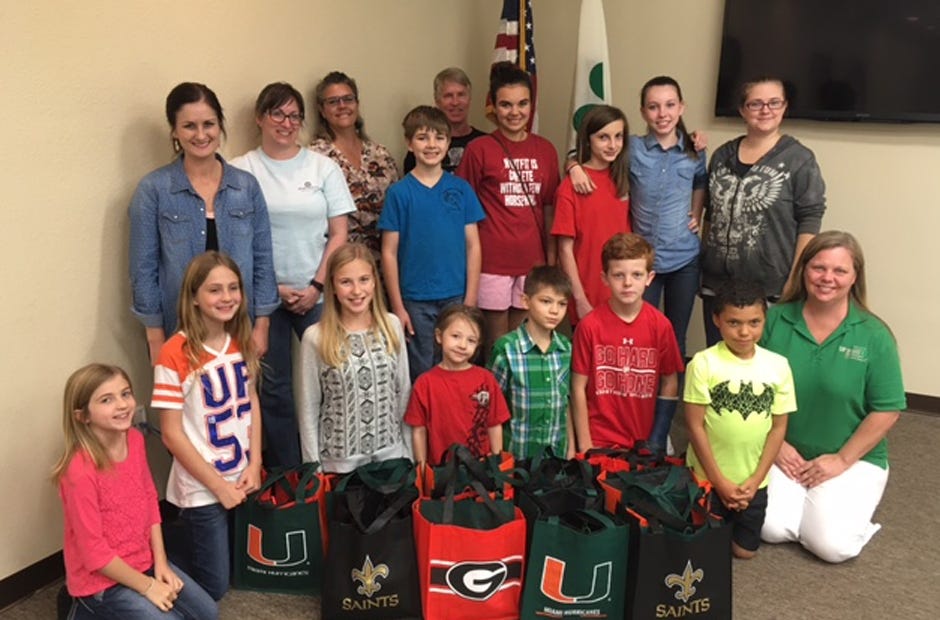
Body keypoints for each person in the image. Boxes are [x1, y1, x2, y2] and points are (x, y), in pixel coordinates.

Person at [759, 231, 905, 563]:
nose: (827, 278)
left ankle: (842, 514)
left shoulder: (874, 335)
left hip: (851, 456)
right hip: (785, 450)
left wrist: (841, 460)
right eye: (818, 267)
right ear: (803, 270)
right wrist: (776, 443)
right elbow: (753, 386)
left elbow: (887, 410)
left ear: (855, 277)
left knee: (831, 547)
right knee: (769, 527)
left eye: (840, 270)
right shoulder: (775, 320)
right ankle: (809, 507)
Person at [230, 82, 355, 469]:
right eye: (278, 114)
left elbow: (339, 233)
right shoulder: (241, 170)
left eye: (295, 116)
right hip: (264, 300)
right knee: (275, 388)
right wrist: (271, 288)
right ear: (260, 118)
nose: (287, 123)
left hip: (317, 293)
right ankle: (288, 474)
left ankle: (335, 467)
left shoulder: (322, 167)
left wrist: (316, 285)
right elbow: (237, 239)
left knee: (336, 378)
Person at [129, 82, 278, 364]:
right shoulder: (153, 190)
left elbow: (263, 258)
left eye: (208, 124)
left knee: (239, 393)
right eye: (189, 126)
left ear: (220, 126)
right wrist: (155, 337)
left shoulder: (246, 186)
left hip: (239, 327)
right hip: (179, 328)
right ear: (174, 131)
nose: (200, 135)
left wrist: (262, 324)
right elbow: (143, 269)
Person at [54, 364, 218, 619]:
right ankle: (83, 608)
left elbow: (150, 500)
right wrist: (149, 587)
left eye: (125, 394)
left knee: (208, 613)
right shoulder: (79, 472)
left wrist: (161, 563)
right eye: (106, 400)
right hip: (101, 582)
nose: (122, 405)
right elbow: (94, 554)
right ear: (82, 416)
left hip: (144, 562)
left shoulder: (134, 439)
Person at [152, 252, 263, 600]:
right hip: (201, 485)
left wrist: (256, 463)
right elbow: (171, 434)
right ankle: (148, 555)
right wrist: (218, 487)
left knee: (238, 567)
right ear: (195, 298)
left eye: (233, 288)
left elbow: (252, 401)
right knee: (214, 587)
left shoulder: (241, 340)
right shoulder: (175, 352)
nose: (226, 297)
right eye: (215, 290)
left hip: (239, 474)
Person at [701, 76, 827, 346]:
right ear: (742, 109)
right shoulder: (722, 156)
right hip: (718, 285)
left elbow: (810, 219)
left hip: (769, 287)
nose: (765, 110)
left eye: (774, 103)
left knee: (762, 365)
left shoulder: (799, 159)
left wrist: (795, 277)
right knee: (718, 361)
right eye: (756, 103)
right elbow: (710, 214)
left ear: (785, 107)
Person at [684, 281, 795, 559]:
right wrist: (719, 482)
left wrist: (756, 480)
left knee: (745, 552)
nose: (744, 332)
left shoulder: (778, 365)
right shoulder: (703, 363)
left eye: (754, 322)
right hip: (708, 479)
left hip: (753, 482)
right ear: (716, 320)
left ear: (764, 320)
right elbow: (695, 426)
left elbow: (778, 427)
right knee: (704, 553)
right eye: (734, 322)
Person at [456, 61, 561, 357]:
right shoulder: (479, 149)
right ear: (494, 106)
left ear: (531, 104)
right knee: (496, 345)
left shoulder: (546, 150)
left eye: (522, 103)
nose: (515, 112)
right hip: (492, 262)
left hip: (532, 262)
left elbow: (549, 208)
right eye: (506, 104)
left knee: (521, 344)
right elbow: (463, 209)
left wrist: (550, 260)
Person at [380, 105, 484, 381]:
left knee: (457, 364)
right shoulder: (399, 193)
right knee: (422, 370)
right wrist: (398, 306)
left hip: (456, 296)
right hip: (415, 300)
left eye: (439, 137)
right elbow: (388, 253)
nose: (431, 144)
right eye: (422, 137)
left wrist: (471, 298)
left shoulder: (461, 189)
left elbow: (473, 246)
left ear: (448, 143)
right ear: (409, 143)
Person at [298, 243, 412, 473]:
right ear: (332, 286)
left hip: (391, 459)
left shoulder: (391, 326)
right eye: (346, 282)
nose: (357, 291)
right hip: (340, 467)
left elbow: (403, 392)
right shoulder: (316, 337)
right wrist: (313, 469)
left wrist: (408, 454)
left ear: (374, 282)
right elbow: (308, 408)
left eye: (364, 280)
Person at [571, 233, 683, 453]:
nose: (628, 283)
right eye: (618, 275)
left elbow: (670, 381)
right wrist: (585, 446)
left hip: (645, 441)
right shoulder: (590, 326)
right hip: (600, 439)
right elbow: (577, 387)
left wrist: (658, 437)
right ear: (605, 278)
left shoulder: (661, 325)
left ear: (649, 278)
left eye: (637, 274)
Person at [551, 104, 631, 325]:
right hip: (587, 291)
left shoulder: (624, 179)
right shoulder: (571, 187)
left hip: (623, 291)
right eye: (603, 137)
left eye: (618, 136)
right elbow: (565, 249)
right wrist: (579, 299)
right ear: (588, 140)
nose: (612, 145)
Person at [404, 304, 511, 466]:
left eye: (471, 340)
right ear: (439, 336)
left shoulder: (486, 379)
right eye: (455, 336)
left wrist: (497, 465)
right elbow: (419, 430)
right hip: (441, 470)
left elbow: (494, 424)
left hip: (481, 469)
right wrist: (422, 468)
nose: (462, 345)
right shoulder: (424, 383)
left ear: (478, 344)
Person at [310, 71, 399, 263]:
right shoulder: (315, 157)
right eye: (333, 102)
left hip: (384, 261)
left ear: (357, 104)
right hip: (341, 263)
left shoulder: (380, 154)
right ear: (322, 110)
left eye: (348, 99)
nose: (342, 106)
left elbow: (399, 208)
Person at [488, 266, 574, 460]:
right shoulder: (506, 349)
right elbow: (493, 410)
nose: (554, 311)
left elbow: (566, 403)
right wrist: (497, 460)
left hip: (556, 458)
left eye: (562, 304)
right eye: (546, 301)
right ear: (526, 301)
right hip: (517, 457)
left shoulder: (566, 349)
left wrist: (570, 450)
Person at [402, 67, 487, 174]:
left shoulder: (486, 142)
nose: (455, 102)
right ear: (437, 100)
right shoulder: (422, 147)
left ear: (469, 98)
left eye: (461, 95)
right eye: (448, 96)